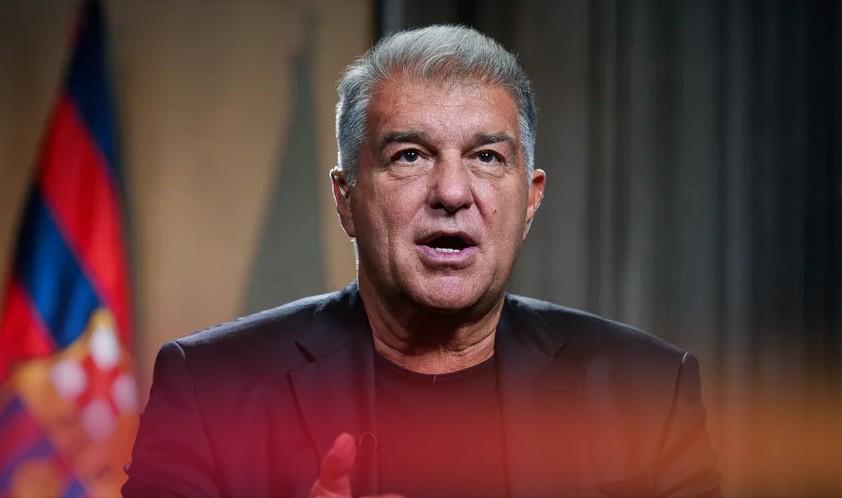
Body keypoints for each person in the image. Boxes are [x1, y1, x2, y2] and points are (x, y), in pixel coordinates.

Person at [123, 25, 721, 498]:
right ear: (346, 198)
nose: (452, 192)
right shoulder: (209, 390)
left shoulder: (650, 393)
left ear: (530, 199)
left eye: (487, 157)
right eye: (410, 155)